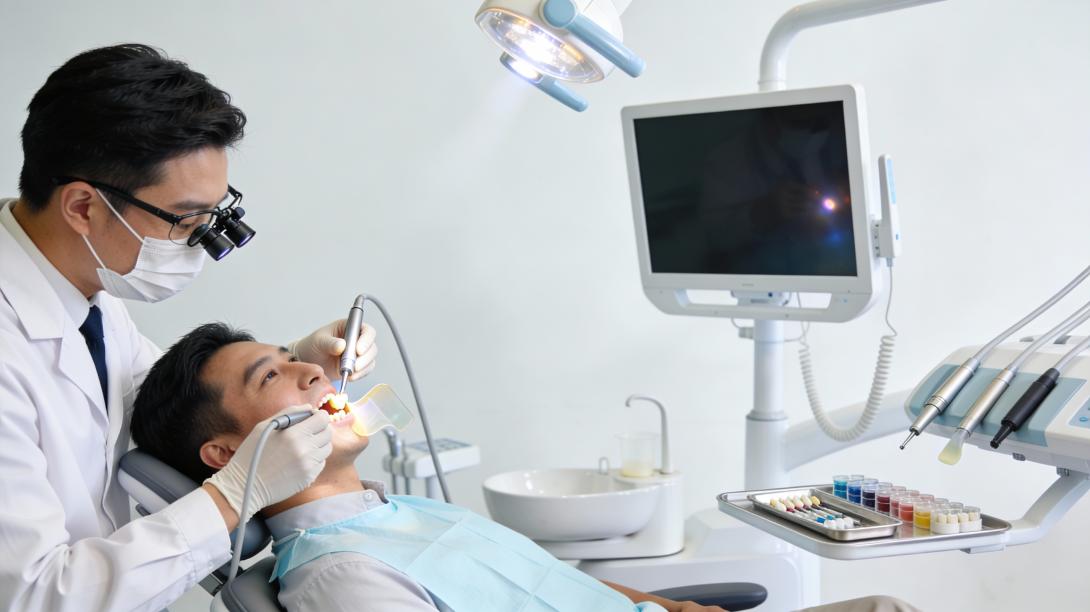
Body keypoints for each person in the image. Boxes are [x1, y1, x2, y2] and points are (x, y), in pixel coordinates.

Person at [132, 323, 920, 612]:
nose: (314, 373)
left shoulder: (401, 512)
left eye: (296, 359)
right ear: (227, 457)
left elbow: (550, 584)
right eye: (274, 377)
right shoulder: (340, 579)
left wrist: (661, 605)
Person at [0, 44, 378, 611]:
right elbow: (34, 595)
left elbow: (154, 393)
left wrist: (292, 361)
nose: (203, 241)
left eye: (214, 215)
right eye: (186, 220)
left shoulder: (74, 290)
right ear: (83, 207)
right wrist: (229, 499)